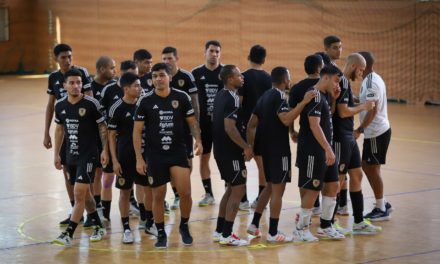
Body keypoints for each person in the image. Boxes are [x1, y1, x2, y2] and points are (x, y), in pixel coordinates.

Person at [133, 63, 203, 249]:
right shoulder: (145, 100)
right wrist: (140, 159)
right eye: (154, 76)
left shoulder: (181, 97)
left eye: (162, 75)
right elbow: (137, 132)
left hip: (177, 152)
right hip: (154, 155)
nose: (158, 79)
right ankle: (161, 232)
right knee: (158, 195)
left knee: (186, 193)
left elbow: (192, 122)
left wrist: (198, 140)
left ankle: (184, 226)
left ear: (170, 77)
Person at [246, 67, 316, 242]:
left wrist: (251, 145)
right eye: (289, 77)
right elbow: (286, 118)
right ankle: (273, 233)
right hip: (279, 151)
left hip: (266, 150)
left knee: (269, 187)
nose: (290, 81)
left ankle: (254, 224)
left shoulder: (264, 96)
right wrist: (303, 102)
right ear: (285, 79)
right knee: (278, 190)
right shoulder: (279, 96)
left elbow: (251, 124)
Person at [52, 69, 107, 246]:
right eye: (72, 83)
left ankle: (69, 234)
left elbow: (103, 128)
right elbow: (59, 129)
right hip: (70, 156)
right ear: (65, 85)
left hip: (88, 155)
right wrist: (56, 154)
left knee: (78, 194)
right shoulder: (60, 105)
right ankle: (99, 226)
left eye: (79, 83)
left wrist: (104, 150)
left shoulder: (92, 104)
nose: (76, 86)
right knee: (86, 195)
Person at [293, 65, 345, 242]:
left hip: (324, 150)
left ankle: (326, 225)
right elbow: (314, 125)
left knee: (333, 185)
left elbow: (325, 117)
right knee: (313, 189)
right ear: (326, 78)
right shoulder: (314, 94)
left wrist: (335, 99)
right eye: (336, 80)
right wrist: (328, 148)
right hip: (314, 151)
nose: (337, 84)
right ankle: (301, 229)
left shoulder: (323, 96)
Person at [44, 43, 92, 226]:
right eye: (63, 57)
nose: (68, 60)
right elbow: (50, 105)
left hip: (82, 133)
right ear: (56, 58)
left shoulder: (81, 73)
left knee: (84, 175)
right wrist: (46, 133)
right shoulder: (54, 78)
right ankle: (75, 211)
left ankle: (90, 213)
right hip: (65, 130)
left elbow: (90, 98)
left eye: (70, 56)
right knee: (67, 172)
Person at [333, 53, 381, 234]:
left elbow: (346, 102)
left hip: (349, 136)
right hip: (340, 136)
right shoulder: (342, 81)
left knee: (357, 175)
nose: (361, 74)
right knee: (336, 180)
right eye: (360, 70)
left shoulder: (345, 83)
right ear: (353, 66)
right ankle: (329, 223)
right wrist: (364, 107)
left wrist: (360, 101)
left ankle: (359, 222)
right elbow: (343, 112)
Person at [210, 65, 252, 246]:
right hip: (231, 152)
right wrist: (246, 147)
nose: (242, 77)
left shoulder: (220, 95)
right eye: (238, 75)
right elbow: (229, 127)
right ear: (229, 79)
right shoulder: (233, 98)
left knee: (230, 189)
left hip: (220, 150)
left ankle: (220, 230)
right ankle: (227, 234)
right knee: (239, 189)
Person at [108, 72, 151, 244]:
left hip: (144, 154)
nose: (140, 88)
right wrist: (115, 161)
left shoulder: (144, 103)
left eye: (140, 85)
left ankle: (146, 220)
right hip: (125, 155)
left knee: (145, 187)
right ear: (126, 89)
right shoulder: (116, 108)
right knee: (125, 192)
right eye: (136, 85)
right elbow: (111, 136)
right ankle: (126, 228)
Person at [96, 60, 139, 223]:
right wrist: (105, 149)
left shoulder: (138, 92)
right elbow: (101, 120)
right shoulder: (109, 90)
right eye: (129, 73)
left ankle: (132, 205)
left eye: (135, 74)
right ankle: (105, 214)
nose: (133, 77)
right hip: (111, 141)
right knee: (107, 179)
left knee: (133, 180)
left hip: (131, 146)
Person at [162, 46, 200, 210]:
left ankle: (183, 191)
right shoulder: (160, 77)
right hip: (166, 128)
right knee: (170, 163)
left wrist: (196, 128)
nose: (166, 61)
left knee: (188, 164)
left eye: (169, 58)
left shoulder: (186, 76)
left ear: (177, 58)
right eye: (164, 59)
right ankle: (177, 195)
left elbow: (195, 104)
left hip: (185, 128)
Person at [357, 51, 393, 221]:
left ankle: (381, 208)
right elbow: (367, 104)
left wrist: (360, 129)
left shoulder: (371, 83)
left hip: (375, 132)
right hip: (376, 131)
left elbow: (373, 109)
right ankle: (382, 203)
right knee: (369, 166)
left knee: (371, 168)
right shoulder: (370, 78)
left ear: (363, 66)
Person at [237, 44, 272, 210]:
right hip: (264, 126)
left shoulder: (242, 77)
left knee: (241, 160)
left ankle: (243, 199)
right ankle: (261, 199)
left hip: (245, 125)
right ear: (264, 60)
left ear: (248, 57)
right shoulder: (269, 78)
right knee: (261, 164)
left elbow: (239, 102)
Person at [84, 56, 116, 224]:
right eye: (112, 68)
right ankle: (95, 207)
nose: (114, 71)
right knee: (96, 173)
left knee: (109, 174)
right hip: (93, 137)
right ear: (102, 69)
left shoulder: (114, 86)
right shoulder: (89, 86)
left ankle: (107, 205)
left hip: (110, 136)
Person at [192, 40, 223, 207]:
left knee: (224, 157)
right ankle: (209, 193)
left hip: (222, 125)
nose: (214, 54)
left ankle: (230, 189)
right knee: (203, 159)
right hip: (203, 125)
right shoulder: (196, 73)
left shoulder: (225, 72)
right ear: (205, 52)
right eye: (211, 51)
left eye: (217, 52)